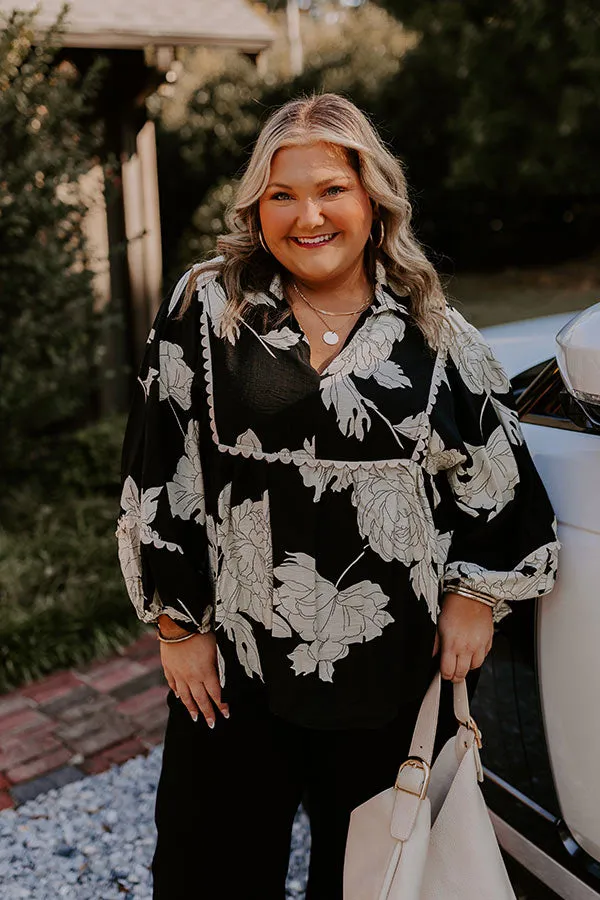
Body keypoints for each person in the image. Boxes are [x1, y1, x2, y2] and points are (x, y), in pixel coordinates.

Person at [116, 93, 559, 900]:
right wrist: (178, 624)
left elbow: (497, 479)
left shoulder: (434, 333)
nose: (307, 215)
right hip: (238, 667)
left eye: (330, 190)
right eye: (282, 194)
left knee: (363, 880)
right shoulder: (207, 307)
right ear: (257, 206)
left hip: (385, 672)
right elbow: (158, 467)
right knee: (207, 867)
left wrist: (473, 596)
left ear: (371, 200)